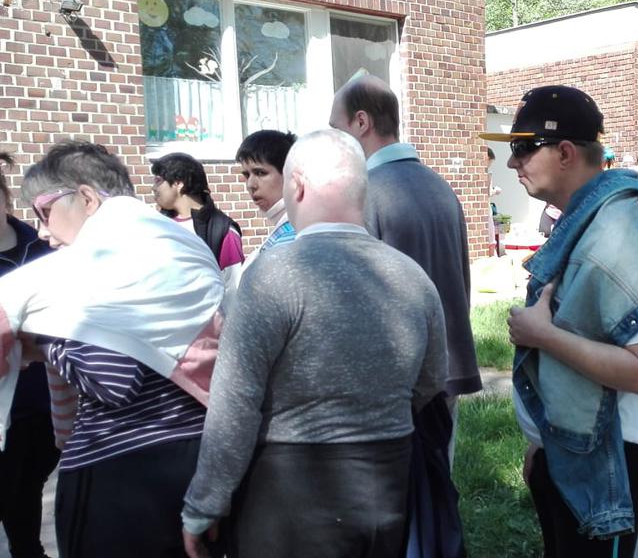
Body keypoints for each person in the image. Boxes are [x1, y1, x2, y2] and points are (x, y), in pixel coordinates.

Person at [181, 129, 448, 558]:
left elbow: (235, 405)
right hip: (388, 483)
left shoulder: (271, 276)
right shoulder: (413, 278)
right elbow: (431, 380)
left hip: (290, 497)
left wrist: (204, 504)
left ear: (298, 186)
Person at [0, 141, 223, 558]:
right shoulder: (180, 250)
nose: (42, 231)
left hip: (123, 480)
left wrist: (45, 340)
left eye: (44, 213)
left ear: (87, 199)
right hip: (198, 457)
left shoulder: (95, 276)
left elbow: (112, 382)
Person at [482, 85, 638, 558]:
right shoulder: (586, 221)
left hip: (613, 454)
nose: (512, 162)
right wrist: (544, 439)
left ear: (566, 153)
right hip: (578, 446)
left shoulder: (618, 230)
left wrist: (542, 336)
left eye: (523, 148)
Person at [330, 74, 475, 555]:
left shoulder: (366, 194)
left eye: (337, 128)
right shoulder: (441, 188)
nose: (335, 140)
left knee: (400, 522)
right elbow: (461, 285)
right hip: (444, 373)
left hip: (397, 390)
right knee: (437, 501)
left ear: (362, 122)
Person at [0, 157, 60, 558]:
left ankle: (28, 550)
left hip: (41, 394)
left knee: (27, 487)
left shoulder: (39, 243)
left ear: (4, 195)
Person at [151, 153, 244, 305]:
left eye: (158, 181)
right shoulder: (157, 226)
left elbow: (233, 290)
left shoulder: (221, 230)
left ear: (178, 183)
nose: (153, 188)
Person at [235, 129, 298, 261]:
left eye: (260, 173)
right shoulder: (286, 228)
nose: (250, 184)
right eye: (246, 175)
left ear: (289, 174)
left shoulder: (295, 235)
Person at [486, 147, 502, 256]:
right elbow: (487, 193)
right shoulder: (487, 174)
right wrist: (496, 191)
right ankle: (492, 257)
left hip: (485, 208)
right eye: (490, 162)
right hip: (486, 209)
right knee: (491, 237)